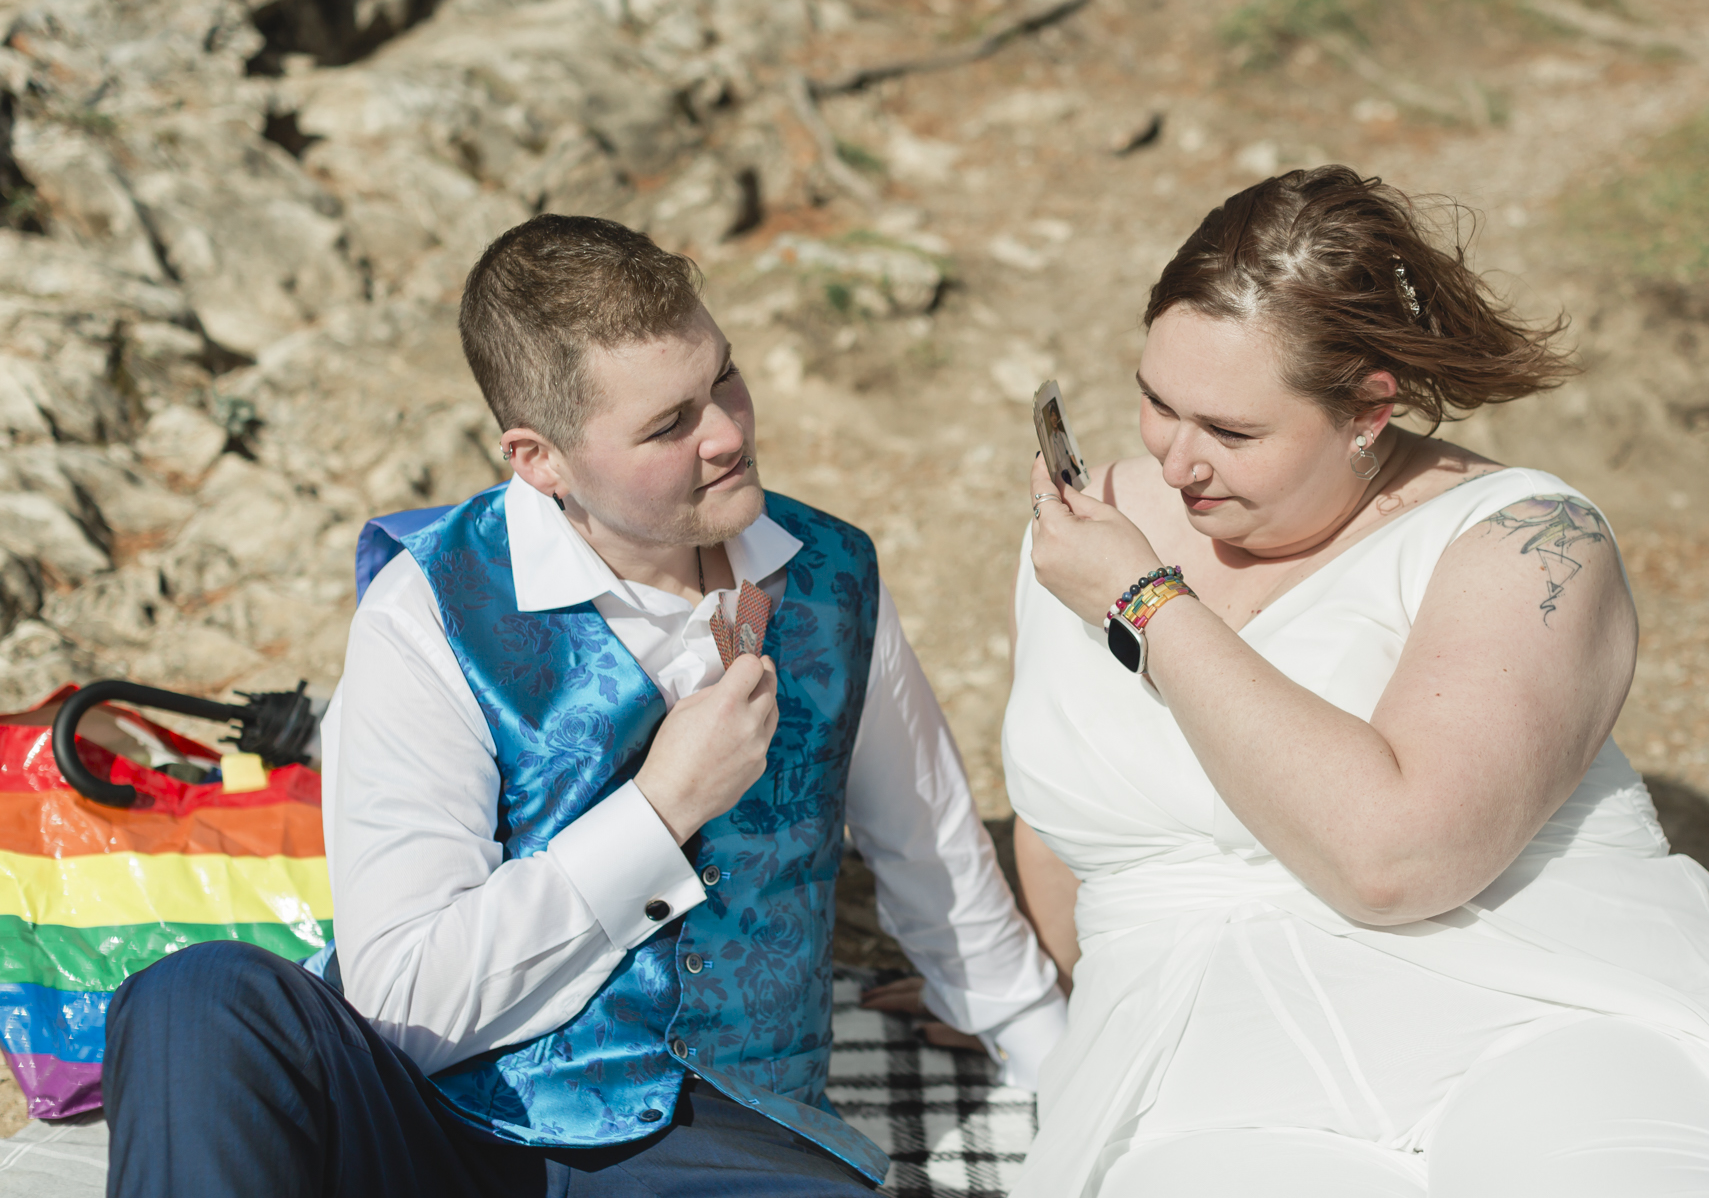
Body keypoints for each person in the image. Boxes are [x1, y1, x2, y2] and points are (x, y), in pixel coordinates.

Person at [101, 215, 1064, 1198]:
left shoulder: (831, 575)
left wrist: (1064, 1072)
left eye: (722, 378)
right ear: (539, 460)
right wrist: (659, 813)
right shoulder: (426, 614)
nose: (729, 433)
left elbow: (930, 848)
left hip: (720, 1133)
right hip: (442, 1122)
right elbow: (402, 1002)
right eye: (668, 424)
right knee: (195, 1003)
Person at [1004, 167, 1709, 1198]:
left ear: (1367, 411)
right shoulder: (1089, 523)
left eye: (1233, 432)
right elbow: (1066, 806)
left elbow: (1396, 860)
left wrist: (1146, 606)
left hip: (1529, 1011)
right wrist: (1021, 989)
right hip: (1204, 1074)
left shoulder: (1524, 539)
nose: (1179, 460)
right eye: (1158, 402)